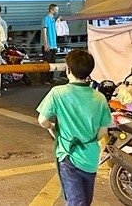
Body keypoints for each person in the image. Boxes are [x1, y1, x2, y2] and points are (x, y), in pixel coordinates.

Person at [36, 49, 112, 206]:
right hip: (91, 157)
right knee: (85, 199)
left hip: (68, 155)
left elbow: (42, 120)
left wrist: (52, 128)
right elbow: (102, 132)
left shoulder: (58, 93)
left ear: (68, 69)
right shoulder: (100, 98)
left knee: (75, 201)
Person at [42, 4, 59, 84]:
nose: (57, 11)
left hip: (54, 45)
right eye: (56, 9)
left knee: (52, 63)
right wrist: (46, 44)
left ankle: (50, 79)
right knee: (47, 63)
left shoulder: (53, 20)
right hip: (48, 44)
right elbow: (44, 32)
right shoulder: (46, 19)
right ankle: (45, 79)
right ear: (52, 10)